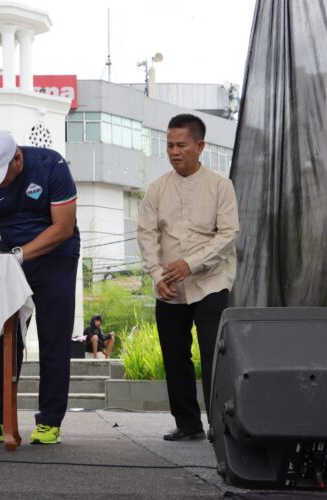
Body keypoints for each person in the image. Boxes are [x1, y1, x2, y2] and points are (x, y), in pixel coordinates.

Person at [0, 129, 80, 445]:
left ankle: (49, 422)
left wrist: (21, 254)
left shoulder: (51, 165)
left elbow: (63, 227)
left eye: (2, 174)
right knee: (6, 338)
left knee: (54, 338)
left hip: (56, 257)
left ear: (18, 158)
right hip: (10, 259)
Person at [137, 113, 238, 441]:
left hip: (211, 281)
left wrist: (191, 263)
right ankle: (187, 423)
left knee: (213, 353)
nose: (174, 151)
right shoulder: (157, 189)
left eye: (181, 145)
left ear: (200, 146)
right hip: (169, 284)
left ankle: (219, 424)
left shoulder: (220, 186)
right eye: (169, 145)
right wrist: (156, 275)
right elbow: (146, 236)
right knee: (174, 353)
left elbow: (227, 235)